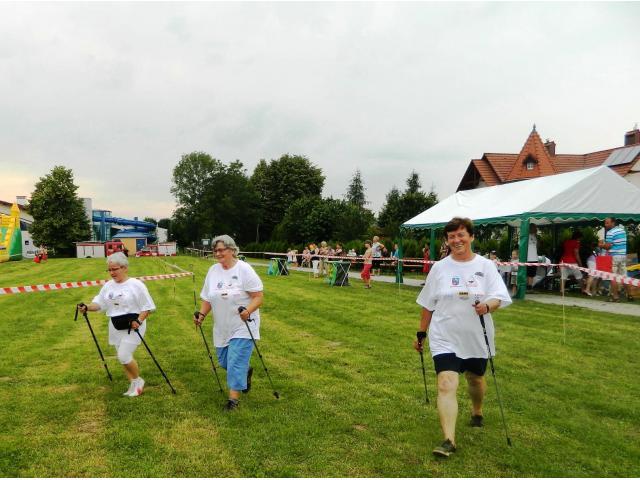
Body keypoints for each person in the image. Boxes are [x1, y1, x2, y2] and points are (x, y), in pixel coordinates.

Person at [413, 217, 511, 458]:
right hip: (444, 335)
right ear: (447, 240)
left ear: (471, 237)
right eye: (451, 236)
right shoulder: (440, 268)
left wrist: (487, 306)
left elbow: (499, 296)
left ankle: (477, 410)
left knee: (475, 379)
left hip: (475, 336)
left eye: (461, 235)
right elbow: (428, 303)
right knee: (446, 383)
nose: (456, 240)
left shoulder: (486, 266)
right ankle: (449, 440)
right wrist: (421, 333)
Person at [194, 234, 264, 411]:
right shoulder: (213, 271)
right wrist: (202, 314)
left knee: (235, 362)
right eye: (215, 250)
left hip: (243, 325)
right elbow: (207, 298)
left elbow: (258, 297)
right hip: (222, 327)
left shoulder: (244, 269)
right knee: (225, 362)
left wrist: (248, 311)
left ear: (232, 250)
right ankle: (245, 372)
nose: (217, 253)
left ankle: (233, 400)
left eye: (221, 250)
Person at [78, 252, 156, 397]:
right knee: (122, 359)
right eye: (109, 270)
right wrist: (87, 307)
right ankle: (133, 385)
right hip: (115, 326)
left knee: (124, 355)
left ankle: (138, 381)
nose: (112, 273)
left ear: (125, 268)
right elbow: (99, 304)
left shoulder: (136, 285)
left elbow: (147, 307)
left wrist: (139, 321)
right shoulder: (108, 286)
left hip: (134, 326)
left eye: (115, 269)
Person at [600, 217, 633, 302]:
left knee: (613, 277)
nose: (605, 225)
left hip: (614, 256)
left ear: (613, 223)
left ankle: (615, 297)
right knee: (624, 277)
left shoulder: (610, 232)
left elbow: (608, 246)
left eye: (607, 223)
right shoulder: (622, 231)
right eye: (605, 223)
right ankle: (630, 295)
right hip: (623, 256)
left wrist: (601, 245)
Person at [526, 224, 540, 289]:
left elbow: (537, 246)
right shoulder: (526, 236)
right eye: (534, 228)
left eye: (536, 228)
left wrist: (536, 237)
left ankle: (530, 286)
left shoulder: (535, 236)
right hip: (528, 257)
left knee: (532, 274)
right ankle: (527, 286)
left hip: (534, 258)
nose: (536, 229)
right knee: (528, 273)